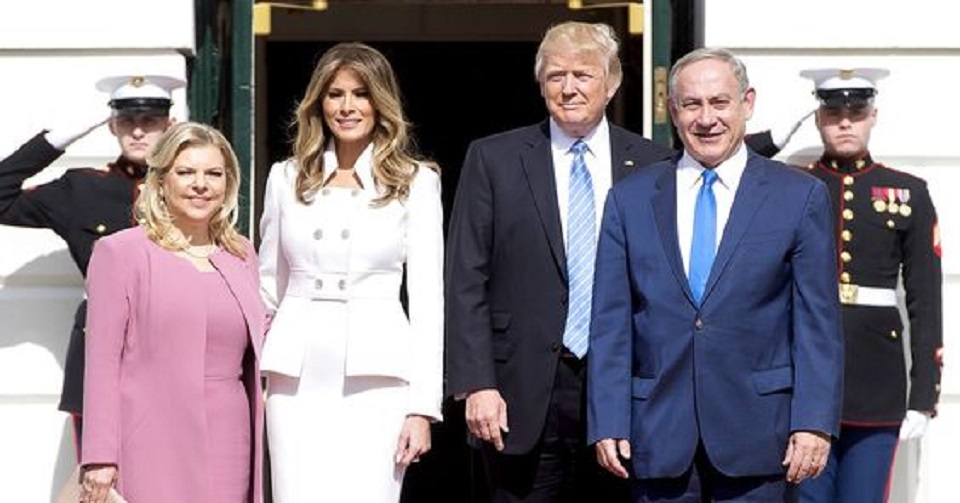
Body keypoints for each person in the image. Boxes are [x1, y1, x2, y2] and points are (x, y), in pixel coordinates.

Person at [586, 47, 844, 502]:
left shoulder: (799, 196)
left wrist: (814, 422)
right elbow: (610, 322)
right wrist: (607, 418)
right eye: (692, 104)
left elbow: (817, 323)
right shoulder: (630, 198)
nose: (706, 119)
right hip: (657, 435)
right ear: (673, 111)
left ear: (747, 103)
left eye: (719, 102)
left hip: (761, 436)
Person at [445, 21, 675, 502]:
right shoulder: (494, 159)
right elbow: (465, 277)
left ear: (611, 83)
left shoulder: (655, 164)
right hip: (518, 392)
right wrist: (477, 383)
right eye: (556, 76)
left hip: (620, 393)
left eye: (583, 75)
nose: (569, 88)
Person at [258, 42, 444, 502]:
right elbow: (268, 288)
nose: (347, 107)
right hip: (294, 378)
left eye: (361, 94)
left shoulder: (416, 182)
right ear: (318, 103)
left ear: (380, 102)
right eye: (335, 94)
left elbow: (428, 303)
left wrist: (422, 408)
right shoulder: (285, 178)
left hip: (378, 377)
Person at [79, 121, 266, 503]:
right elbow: (101, 362)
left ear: (228, 184)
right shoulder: (121, 252)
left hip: (231, 434)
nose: (201, 184)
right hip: (151, 436)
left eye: (213, 174)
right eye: (186, 172)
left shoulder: (241, 253)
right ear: (162, 181)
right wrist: (99, 455)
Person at [0, 74, 182, 444]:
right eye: (127, 121)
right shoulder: (82, 188)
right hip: (101, 346)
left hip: (175, 344)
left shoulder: (193, 186)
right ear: (112, 125)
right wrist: (60, 137)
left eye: (149, 121)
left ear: (170, 125)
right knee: (98, 466)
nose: (137, 132)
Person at [793, 68, 943, 503]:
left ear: (873, 116)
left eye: (856, 113)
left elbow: (925, 298)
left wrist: (923, 394)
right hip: (805, 381)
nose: (845, 122)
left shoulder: (908, 192)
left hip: (877, 381)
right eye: (833, 113)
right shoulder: (793, 186)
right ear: (818, 118)